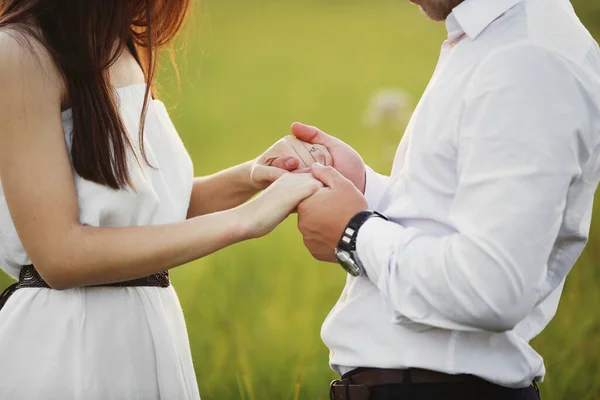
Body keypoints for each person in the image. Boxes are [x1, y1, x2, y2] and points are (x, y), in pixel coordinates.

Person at [0, 1, 328, 399]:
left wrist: (252, 176)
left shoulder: (119, 45)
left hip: (149, 331)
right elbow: (60, 256)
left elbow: (143, 214)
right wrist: (244, 220)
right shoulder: (17, 51)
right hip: (71, 345)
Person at [291, 0, 600, 399]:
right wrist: (365, 189)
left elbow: (491, 286)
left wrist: (354, 233)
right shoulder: (491, 41)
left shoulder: (528, 59)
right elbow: (447, 220)